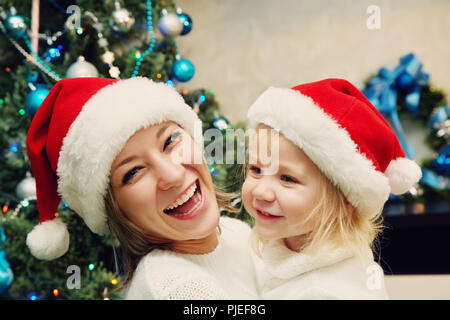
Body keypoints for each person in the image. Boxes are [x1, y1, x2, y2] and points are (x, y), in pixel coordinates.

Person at [25, 77, 258, 299]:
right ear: (114, 208)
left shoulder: (236, 232)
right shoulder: (177, 287)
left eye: (170, 141)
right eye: (133, 172)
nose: (173, 175)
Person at [241, 78, 422, 299]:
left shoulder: (322, 292)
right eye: (256, 169)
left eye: (287, 178)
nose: (261, 191)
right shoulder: (295, 241)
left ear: (345, 199)